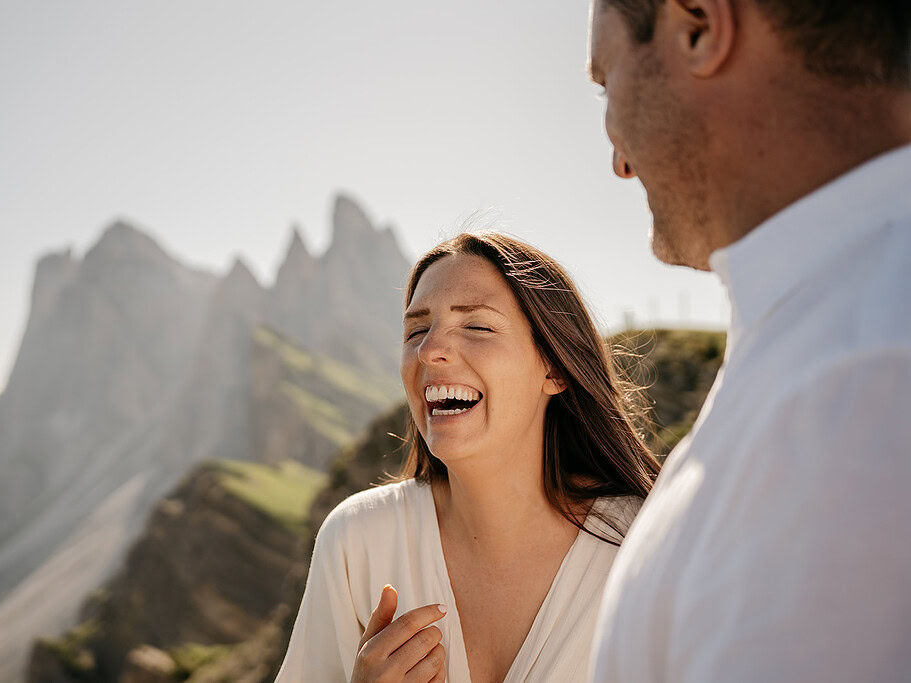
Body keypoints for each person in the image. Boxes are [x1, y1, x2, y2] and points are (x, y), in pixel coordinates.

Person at [586, 1, 911, 681]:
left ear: (698, 26)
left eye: (605, 79)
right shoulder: (831, 336)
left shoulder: (848, 394)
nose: (616, 159)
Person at [275, 232, 661, 682]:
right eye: (416, 330)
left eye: (477, 326)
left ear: (554, 367)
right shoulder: (356, 541)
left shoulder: (649, 546)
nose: (429, 349)